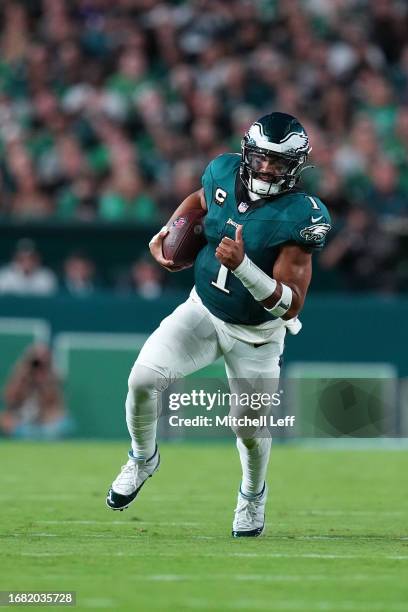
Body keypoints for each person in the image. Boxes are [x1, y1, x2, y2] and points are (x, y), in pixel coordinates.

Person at [106, 112, 331, 537]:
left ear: (296, 167)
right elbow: (201, 199)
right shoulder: (223, 169)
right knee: (141, 380)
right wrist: (171, 231)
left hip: (257, 336)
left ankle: (251, 495)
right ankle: (142, 458)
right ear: (248, 153)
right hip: (203, 310)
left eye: (278, 163)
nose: (266, 169)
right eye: (262, 158)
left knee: (248, 429)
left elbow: (290, 307)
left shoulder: (303, 215)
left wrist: (244, 266)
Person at [0, 344, 71, 440]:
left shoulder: (52, 379)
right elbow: (9, 399)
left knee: (65, 422)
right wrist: (23, 378)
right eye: (36, 363)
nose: (38, 367)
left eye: (43, 364)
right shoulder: (21, 377)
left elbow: (57, 407)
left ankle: (40, 435)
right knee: (4, 419)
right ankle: (29, 434)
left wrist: (45, 384)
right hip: (20, 420)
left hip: (43, 421)